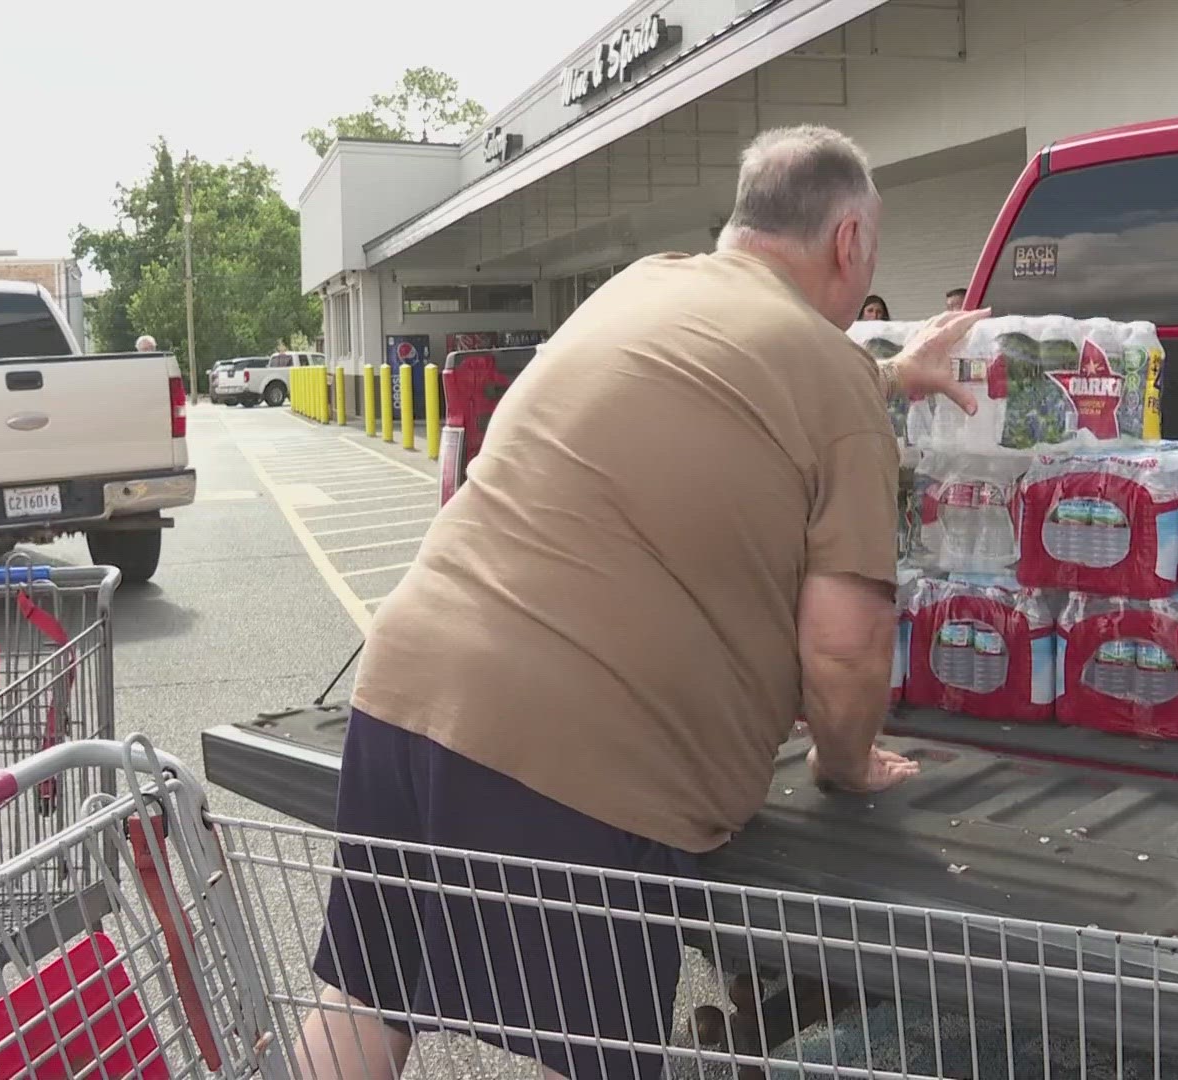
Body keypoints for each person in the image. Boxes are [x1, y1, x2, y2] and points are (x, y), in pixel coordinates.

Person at [295, 126, 986, 1080]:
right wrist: (847, 763)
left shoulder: (642, 285)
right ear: (849, 242)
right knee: (604, 1053)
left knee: (366, 990)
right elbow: (844, 650)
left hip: (406, 684)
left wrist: (887, 375)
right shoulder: (829, 381)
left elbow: (729, 380)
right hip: (586, 753)